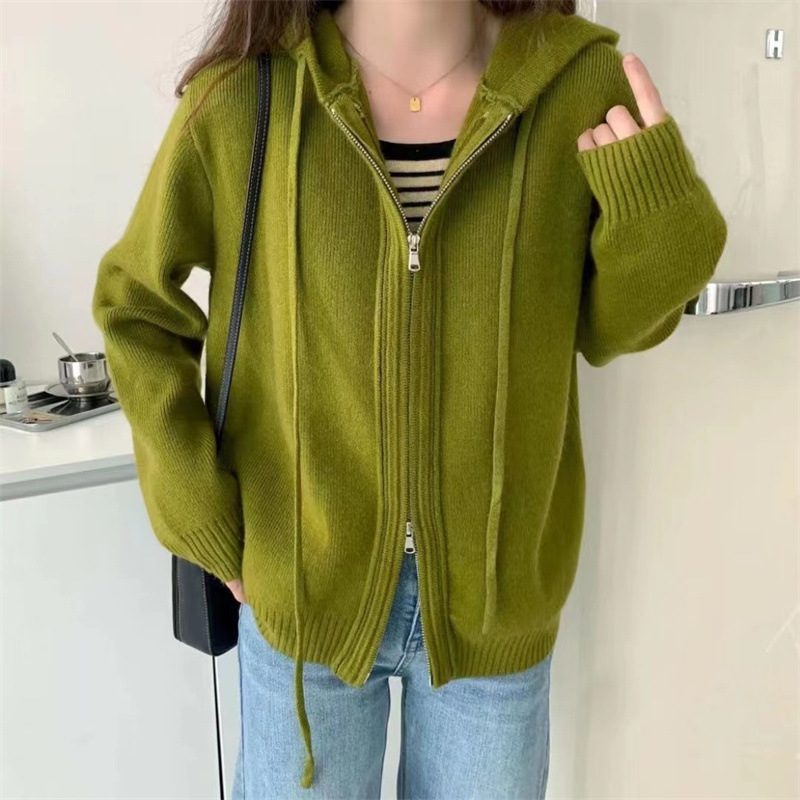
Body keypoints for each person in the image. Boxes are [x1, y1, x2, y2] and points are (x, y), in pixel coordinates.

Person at [91, 0, 728, 797]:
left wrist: (661, 222)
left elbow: (609, 327)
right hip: (301, 601)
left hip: (496, 610)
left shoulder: (576, 84)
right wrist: (199, 510)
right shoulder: (246, 97)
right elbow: (135, 309)